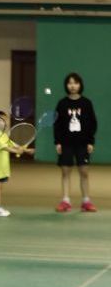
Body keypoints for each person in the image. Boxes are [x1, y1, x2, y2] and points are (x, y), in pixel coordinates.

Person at [54, 72, 98, 212]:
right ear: (67, 85)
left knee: (84, 172)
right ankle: (65, 201)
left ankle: (86, 201)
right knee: (65, 172)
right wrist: (58, 142)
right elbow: (57, 124)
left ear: (80, 85)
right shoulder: (62, 103)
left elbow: (92, 123)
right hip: (66, 143)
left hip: (82, 144)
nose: (72, 85)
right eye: (70, 83)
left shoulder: (86, 103)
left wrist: (90, 142)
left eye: (75, 83)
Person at [0, 110, 32, 217]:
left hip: (4, 165)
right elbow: (4, 147)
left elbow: (12, 144)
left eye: (6, 119)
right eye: (1, 120)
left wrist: (26, 150)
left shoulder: (3, 135)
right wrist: (16, 151)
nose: (4, 121)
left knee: (0, 185)